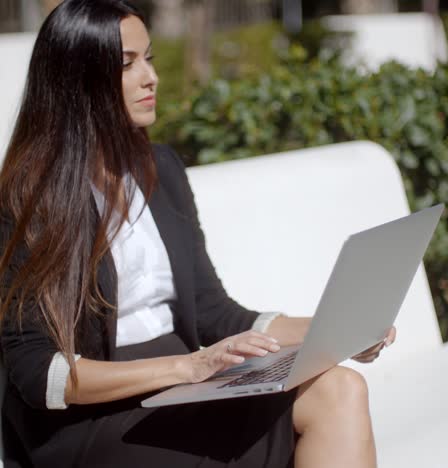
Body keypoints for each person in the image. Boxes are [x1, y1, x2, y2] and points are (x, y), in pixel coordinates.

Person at [0, 1, 396, 467]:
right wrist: (188, 367)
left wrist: (334, 332)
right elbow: (39, 373)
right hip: (90, 418)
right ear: (76, 80)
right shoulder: (27, 197)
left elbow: (214, 312)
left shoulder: (160, 169)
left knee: (340, 387)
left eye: (150, 58)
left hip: (184, 388)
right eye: (127, 64)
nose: (151, 77)